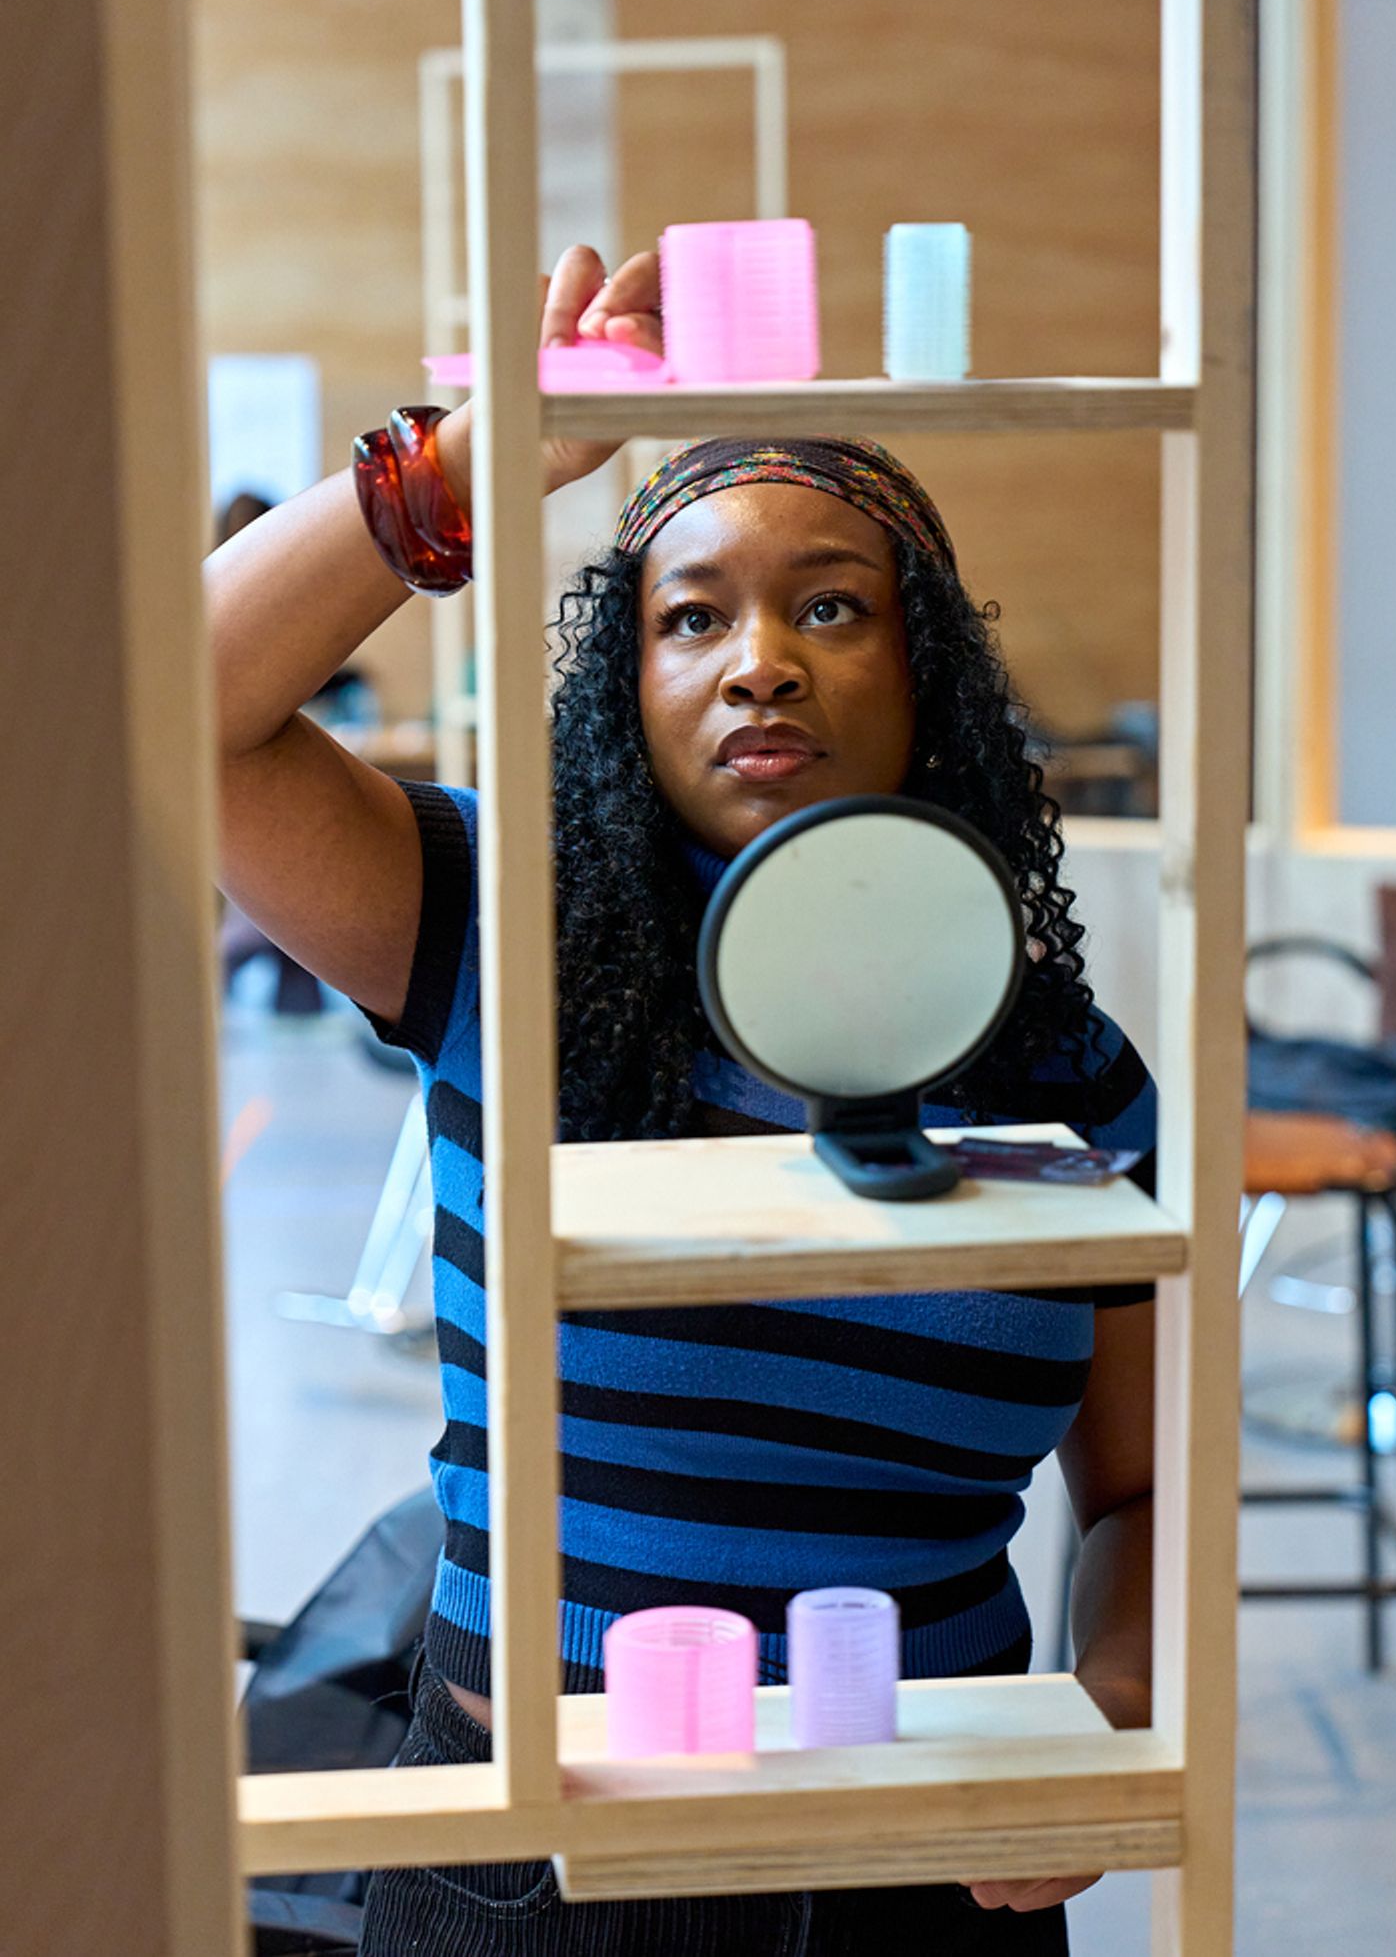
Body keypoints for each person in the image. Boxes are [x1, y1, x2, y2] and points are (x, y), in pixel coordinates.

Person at [207, 245, 1157, 1956]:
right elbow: (165, 711)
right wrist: (464, 467)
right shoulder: (496, 942)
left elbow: (1146, 1496)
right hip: (543, 1862)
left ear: (927, 664)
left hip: (929, 1859)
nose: (762, 661)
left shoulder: (1069, 1075)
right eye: (693, 614)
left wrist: (1107, 1702)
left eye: (833, 605)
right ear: (626, 687)